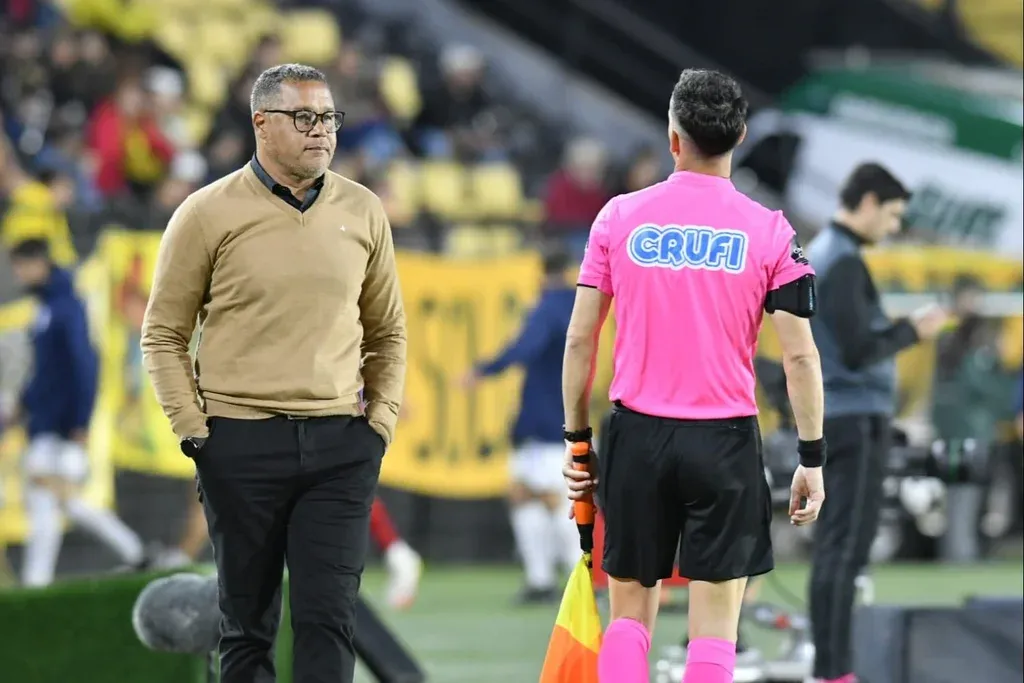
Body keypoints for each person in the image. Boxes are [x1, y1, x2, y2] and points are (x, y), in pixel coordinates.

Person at [140, 64, 406, 683]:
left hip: (340, 444)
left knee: (328, 619)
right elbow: (163, 334)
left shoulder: (364, 209)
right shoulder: (205, 212)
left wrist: (380, 423)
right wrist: (195, 432)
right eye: (305, 118)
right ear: (262, 123)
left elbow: (388, 332)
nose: (322, 131)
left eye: (329, 118)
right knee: (246, 627)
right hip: (239, 440)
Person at [561, 69, 826, 683]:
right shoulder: (771, 231)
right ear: (740, 137)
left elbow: (580, 339)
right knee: (715, 625)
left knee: (629, 614)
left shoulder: (618, 217)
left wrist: (578, 441)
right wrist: (811, 457)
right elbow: (801, 358)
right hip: (725, 440)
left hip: (638, 435)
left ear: (673, 138)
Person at [804, 162, 949, 683]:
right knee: (844, 549)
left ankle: (831, 667)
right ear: (867, 203)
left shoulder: (826, 253)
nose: (893, 226)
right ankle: (834, 670)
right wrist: (914, 331)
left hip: (838, 415)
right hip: (853, 418)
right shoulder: (840, 259)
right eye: (891, 215)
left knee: (837, 548)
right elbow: (859, 349)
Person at [7, 238, 147, 587]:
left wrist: (81, 420)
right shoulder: (45, 307)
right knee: (54, 500)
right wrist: (24, 404)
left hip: (63, 425)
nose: (18, 274)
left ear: (38, 263)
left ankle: (134, 552)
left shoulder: (66, 306)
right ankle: (133, 554)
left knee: (60, 498)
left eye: (21, 266)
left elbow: (84, 365)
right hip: (45, 423)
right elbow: (44, 372)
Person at [459, 248, 578, 604]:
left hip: (547, 423)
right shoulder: (579, 306)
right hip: (561, 419)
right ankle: (549, 580)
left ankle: (573, 580)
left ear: (541, 273)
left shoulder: (550, 306)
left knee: (553, 500)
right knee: (530, 497)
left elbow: (526, 346)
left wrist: (485, 369)